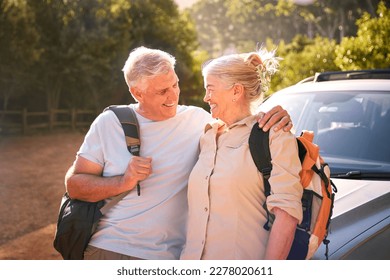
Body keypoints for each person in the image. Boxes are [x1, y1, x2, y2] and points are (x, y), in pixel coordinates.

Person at [65, 46, 292, 260]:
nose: (173, 96)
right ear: (137, 93)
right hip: (111, 249)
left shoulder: (201, 122)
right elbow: (74, 185)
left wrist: (275, 115)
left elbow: (240, 116)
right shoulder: (109, 123)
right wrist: (123, 181)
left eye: (175, 85)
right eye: (162, 91)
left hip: (171, 257)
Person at [180, 48, 303, 260]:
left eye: (210, 89)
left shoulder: (274, 135)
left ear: (236, 91)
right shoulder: (207, 134)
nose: (205, 97)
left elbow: (287, 215)